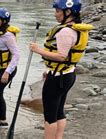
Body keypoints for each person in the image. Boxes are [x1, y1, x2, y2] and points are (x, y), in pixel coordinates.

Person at [28, 0, 93, 138]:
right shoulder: (76, 28)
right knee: (59, 111)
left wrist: (37, 50)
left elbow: (61, 57)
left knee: (50, 115)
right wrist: (49, 70)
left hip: (59, 78)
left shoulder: (65, 32)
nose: (55, 14)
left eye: (57, 11)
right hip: (68, 74)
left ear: (68, 12)